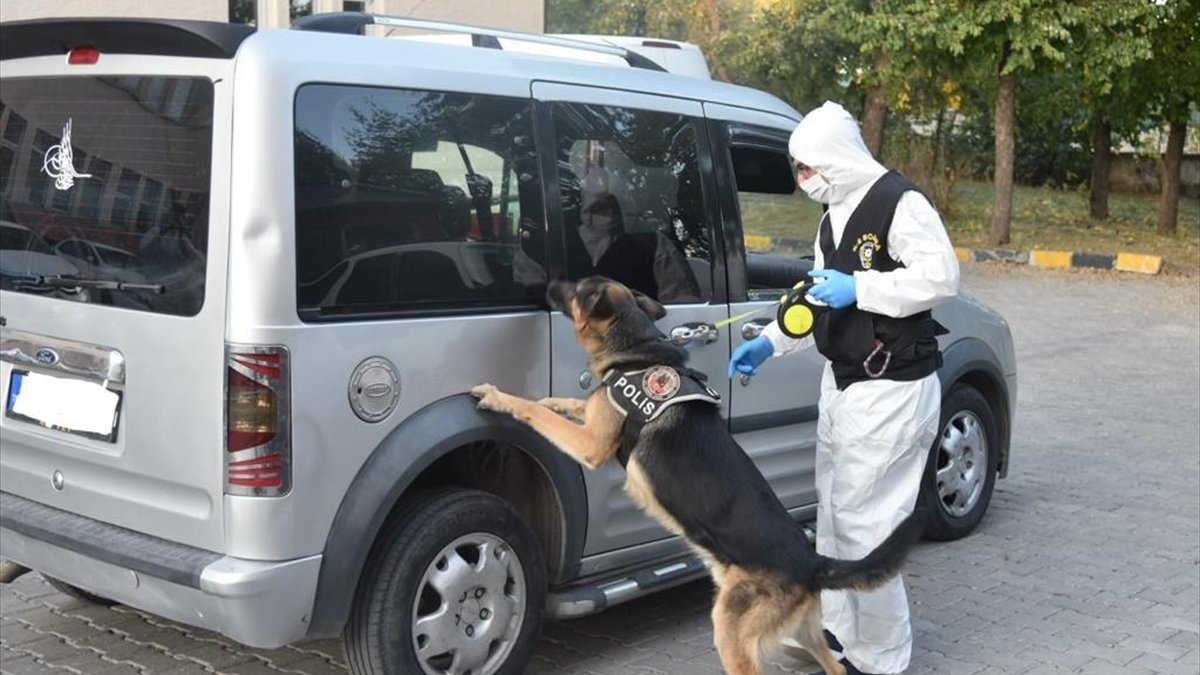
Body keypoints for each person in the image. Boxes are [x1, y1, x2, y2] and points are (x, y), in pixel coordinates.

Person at [728, 101, 960, 675]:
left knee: (868, 530)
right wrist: (771, 341)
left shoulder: (899, 202)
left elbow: (941, 276)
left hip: (892, 388)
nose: (803, 180)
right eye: (798, 169)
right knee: (834, 516)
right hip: (844, 384)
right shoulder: (832, 215)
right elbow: (813, 298)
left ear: (836, 158)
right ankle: (836, 631)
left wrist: (861, 287)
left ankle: (881, 658)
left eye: (808, 167)